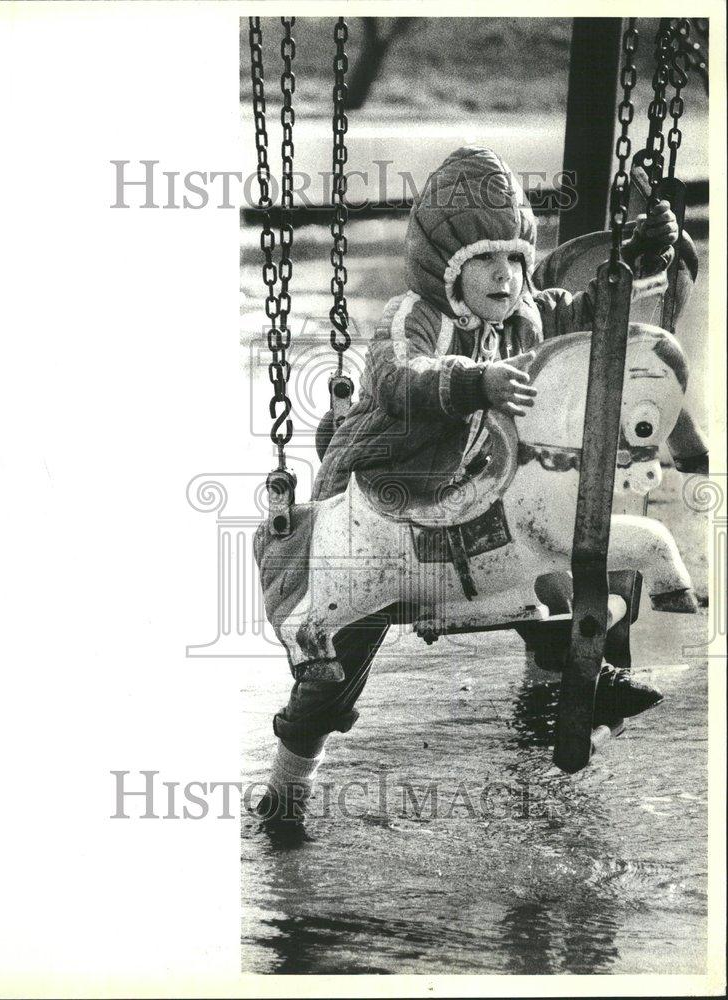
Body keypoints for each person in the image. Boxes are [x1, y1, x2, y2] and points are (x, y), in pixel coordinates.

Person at [256, 146, 687, 835]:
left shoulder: (527, 315)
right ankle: (286, 789)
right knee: (339, 661)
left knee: (545, 551)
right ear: (446, 267)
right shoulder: (412, 316)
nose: (505, 275)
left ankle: (577, 679)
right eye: (484, 260)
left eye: (515, 258)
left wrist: (639, 252)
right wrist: (474, 381)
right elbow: (403, 376)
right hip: (389, 492)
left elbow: (590, 310)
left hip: (479, 487)